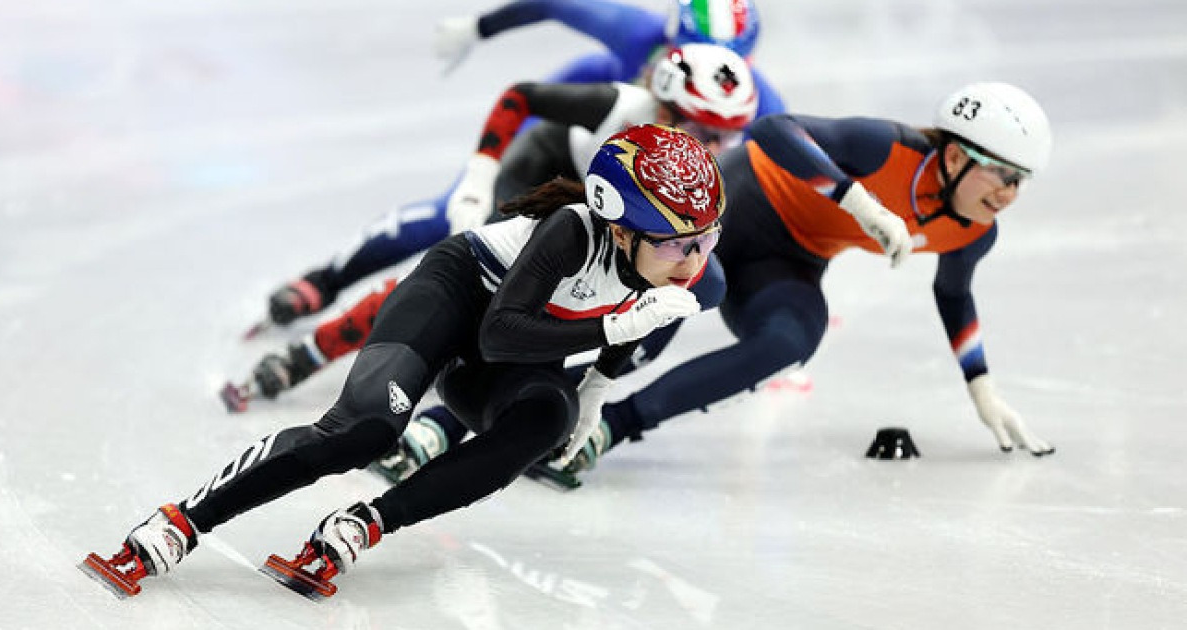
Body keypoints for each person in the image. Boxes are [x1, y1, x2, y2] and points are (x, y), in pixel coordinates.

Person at [80, 124, 728, 599]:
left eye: (708, 237)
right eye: (681, 244)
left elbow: (628, 310)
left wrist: (596, 389)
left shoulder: (682, 265)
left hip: (507, 356)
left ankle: (365, 523)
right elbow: (501, 334)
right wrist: (614, 327)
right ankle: (183, 521)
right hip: (456, 301)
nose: (696, 260)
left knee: (545, 423)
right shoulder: (571, 230)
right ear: (620, 228)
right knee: (364, 432)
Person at [226, 43, 756, 411]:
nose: (714, 148)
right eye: (702, 130)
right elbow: (519, 96)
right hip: (545, 177)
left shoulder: (694, 169)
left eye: (728, 138)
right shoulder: (621, 105)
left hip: (605, 215)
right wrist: (480, 176)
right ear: (662, 104)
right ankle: (312, 341)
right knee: (445, 255)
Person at [563, 82, 1059, 470]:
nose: (1010, 194)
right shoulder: (887, 148)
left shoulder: (974, 232)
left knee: (791, 338)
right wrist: (860, 203)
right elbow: (772, 130)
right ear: (955, 156)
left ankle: (608, 428)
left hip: (784, 262)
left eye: (1023, 181)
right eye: (1004, 174)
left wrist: (981, 387)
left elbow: (953, 293)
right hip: (729, 209)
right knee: (659, 325)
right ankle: (539, 384)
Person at [433, 0, 784, 117]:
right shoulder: (636, 33)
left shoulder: (763, 107)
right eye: (691, 62)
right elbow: (555, 4)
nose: (704, 76)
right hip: (588, 94)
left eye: (723, 69)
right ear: (667, 40)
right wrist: (478, 28)